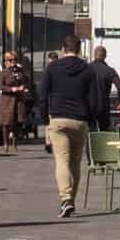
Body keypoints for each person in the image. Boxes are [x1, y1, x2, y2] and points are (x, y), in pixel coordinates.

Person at [37, 35, 104, 218]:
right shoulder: (88, 70)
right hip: (80, 120)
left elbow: (43, 97)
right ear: (80, 49)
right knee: (75, 162)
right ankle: (70, 201)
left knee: (61, 160)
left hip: (58, 119)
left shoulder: (52, 68)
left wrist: (45, 120)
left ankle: (66, 199)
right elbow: (94, 99)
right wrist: (90, 119)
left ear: (62, 48)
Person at [0, 52, 31, 154]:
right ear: (6, 61)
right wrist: (11, 89)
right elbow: (0, 86)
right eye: (10, 60)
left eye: (15, 60)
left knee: (17, 122)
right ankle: (6, 143)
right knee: (6, 123)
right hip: (7, 100)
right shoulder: (4, 72)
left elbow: (25, 82)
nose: (13, 62)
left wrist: (23, 88)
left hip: (19, 100)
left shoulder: (20, 71)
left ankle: (15, 142)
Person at [87, 46, 120, 126]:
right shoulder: (109, 70)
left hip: (89, 106)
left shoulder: (86, 68)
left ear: (94, 55)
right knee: (105, 132)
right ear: (105, 56)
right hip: (104, 106)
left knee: (89, 133)